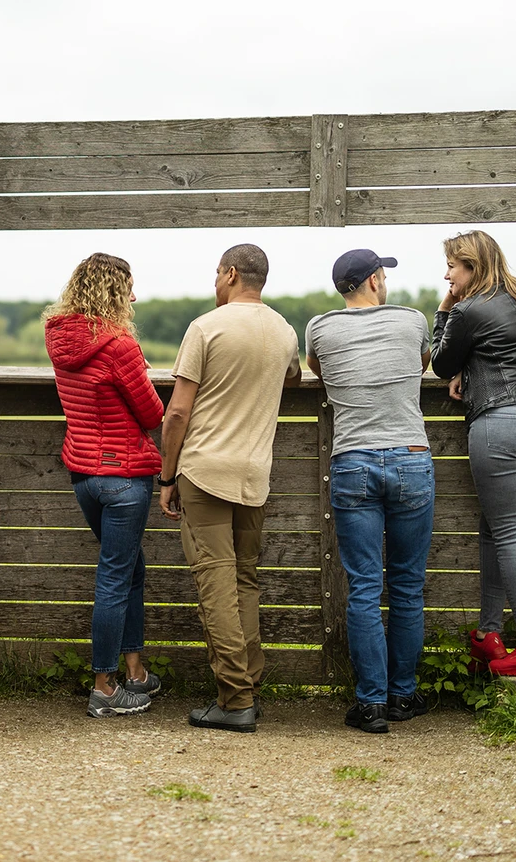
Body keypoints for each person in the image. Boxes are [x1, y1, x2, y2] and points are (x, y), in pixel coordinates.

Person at [159, 244, 301, 732]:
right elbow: (293, 376)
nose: (214, 281)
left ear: (232, 274)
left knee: (214, 580)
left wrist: (166, 475)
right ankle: (250, 689)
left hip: (204, 471)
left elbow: (177, 412)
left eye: (217, 273)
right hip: (253, 475)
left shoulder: (205, 328)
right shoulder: (283, 330)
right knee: (244, 580)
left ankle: (235, 699)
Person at [306, 249, 435, 734]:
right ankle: (404, 695)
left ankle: (372, 704)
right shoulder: (412, 320)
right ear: (376, 280)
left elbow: (320, 371)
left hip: (353, 461)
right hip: (410, 456)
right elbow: (422, 365)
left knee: (363, 587)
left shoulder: (320, 327)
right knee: (406, 586)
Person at [431, 230, 516, 679]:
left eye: (453, 265)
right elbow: (505, 353)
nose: (447, 273)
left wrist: (444, 309)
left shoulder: (469, 307)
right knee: (495, 528)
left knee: (509, 533)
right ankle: (490, 634)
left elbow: (441, 363)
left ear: (471, 266)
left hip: (500, 425)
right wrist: (473, 372)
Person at [44, 253, 166, 717]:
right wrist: (143, 372)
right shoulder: (119, 346)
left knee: (129, 568)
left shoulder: (59, 337)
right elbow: (152, 414)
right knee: (115, 576)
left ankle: (135, 671)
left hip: (84, 475)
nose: (134, 297)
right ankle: (105, 686)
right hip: (123, 477)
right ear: (115, 292)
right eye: (129, 288)